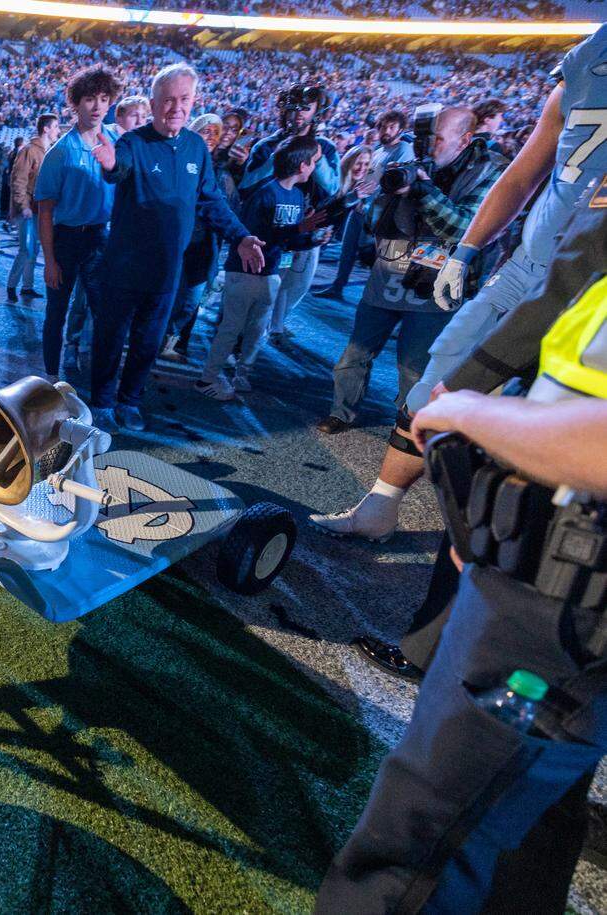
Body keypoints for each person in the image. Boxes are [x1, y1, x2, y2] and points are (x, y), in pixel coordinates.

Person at [317, 192, 607, 913]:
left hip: (560, 612)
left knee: (419, 847)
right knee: (525, 827)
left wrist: (466, 413)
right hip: (542, 571)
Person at [310, 24, 607, 552]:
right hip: (532, 266)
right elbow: (521, 176)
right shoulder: (586, 61)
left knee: (558, 427)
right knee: (434, 387)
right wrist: (468, 249)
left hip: (596, 283)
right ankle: (380, 507)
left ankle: (508, 561)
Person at [88, 63, 264, 432]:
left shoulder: (197, 147)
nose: (176, 108)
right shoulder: (132, 143)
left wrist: (241, 236)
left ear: (194, 101)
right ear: (153, 104)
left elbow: (211, 201)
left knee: (148, 343)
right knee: (110, 338)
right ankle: (102, 401)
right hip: (123, 268)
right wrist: (108, 165)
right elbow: (118, 169)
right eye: (168, 100)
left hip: (168, 271)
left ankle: (130, 400)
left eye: (184, 99)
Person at [316, 108, 500, 437]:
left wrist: (424, 192)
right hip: (386, 278)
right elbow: (371, 221)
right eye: (425, 139)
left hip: (433, 288)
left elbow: (463, 228)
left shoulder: (488, 171)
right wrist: (388, 192)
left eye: (438, 140)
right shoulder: (411, 165)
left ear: (464, 140)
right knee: (353, 356)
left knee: (413, 369)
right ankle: (341, 412)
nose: (429, 147)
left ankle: (407, 427)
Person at [196, 135, 328, 400]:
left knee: (258, 328)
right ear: (302, 165)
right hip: (244, 272)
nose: (314, 168)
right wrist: (298, 229)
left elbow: (288, 239)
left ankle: (242, 373)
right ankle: (207, 377)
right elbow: (252, 235)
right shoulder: (265, 193)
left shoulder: (298, 195)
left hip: (271, 272)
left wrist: (311, 238)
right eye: (313, 162)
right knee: (231, 327)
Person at [33, 65, 122, 381]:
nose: (97, 106)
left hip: (101, 238)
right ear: (75, 102)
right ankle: (50, 376)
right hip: (67, 239)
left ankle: (102, 378)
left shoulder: (116, 139)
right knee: (56, 311)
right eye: (89, 99)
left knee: (104, 312)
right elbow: (45, 211)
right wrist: (50, 260)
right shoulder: (60, 152)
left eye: (103, 98)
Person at [240, 84, 340, 348]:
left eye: (305, 108)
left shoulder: (326, 148)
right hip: (270, 228)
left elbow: (332, 188)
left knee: (297, 286)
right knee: (260, 289)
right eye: (292, 108)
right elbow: (247, 185)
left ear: (318, 111)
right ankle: (245, 340)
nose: (297, 114)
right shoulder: (266, 144)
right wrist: (277, 156)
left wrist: (315, 159)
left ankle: (274, 327)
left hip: (307, 229)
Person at [316, 109, 410, 302]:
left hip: (379, 213)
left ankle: (371, 298)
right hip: (360, 206)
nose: (386, 130)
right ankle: (337, 286)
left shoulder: (403, 150)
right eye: (383, 126)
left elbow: (396, 184)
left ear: (400, 129)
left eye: (391, 127)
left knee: (370, 256)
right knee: (347, 249)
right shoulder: (377, 150)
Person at [159, 112, 224, 363]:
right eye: (206, 130)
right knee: (170, 293)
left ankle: (172, 341)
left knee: (192, 298)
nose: (210, 137)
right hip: (177, 238)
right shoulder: (181, 157)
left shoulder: (222, 166)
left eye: (215, 133)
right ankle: (161, 339)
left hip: (205, 243)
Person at [6, 112, 59, 303]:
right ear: (46, 129)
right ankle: (11, 286)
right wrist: (23, 206)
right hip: (27, 210)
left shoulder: (48, 151)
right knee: (25, 250)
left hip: (39, 209)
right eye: (55, 127)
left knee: (33, 250)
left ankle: (27, 287)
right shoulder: (29, 150)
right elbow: (18, 180)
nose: (58, 131)